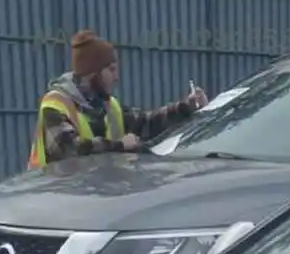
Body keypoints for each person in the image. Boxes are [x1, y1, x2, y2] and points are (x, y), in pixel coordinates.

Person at [28, 30, 208, 167]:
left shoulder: (108, 106)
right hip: (53, 200)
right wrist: (120, 145)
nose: (117, 77)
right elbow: (68, 150)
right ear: (93, 73)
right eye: (111, 69)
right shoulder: (56, 103)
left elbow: (146, 122)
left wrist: (185, 107)